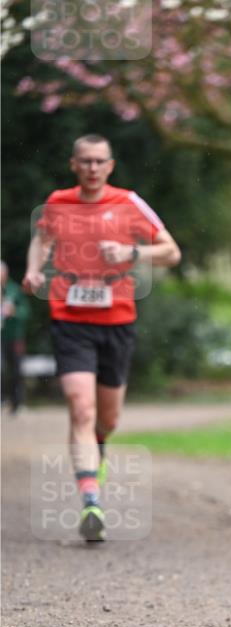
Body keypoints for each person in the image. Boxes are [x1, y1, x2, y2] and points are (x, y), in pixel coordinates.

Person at [22, 134, 181, 542]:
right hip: (70, 319)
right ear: (74, 165)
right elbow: (42, 238)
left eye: (100, 162)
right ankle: (90, 498)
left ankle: (98, 450)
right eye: (85, 161)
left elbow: (170, 251)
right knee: (80, 406)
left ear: (110, 166)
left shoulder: (129, 203)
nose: (93, 168)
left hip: (116, 321)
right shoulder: (58, 203)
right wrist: (35, 270)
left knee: (106, 420)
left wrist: (131, 254)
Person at [1, 259, 30, 413]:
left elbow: (26, 312)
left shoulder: (14, 290)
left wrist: (14, 313)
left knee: (17, 369)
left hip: (14, 336)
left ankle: (17, 402)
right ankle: (2, 400)